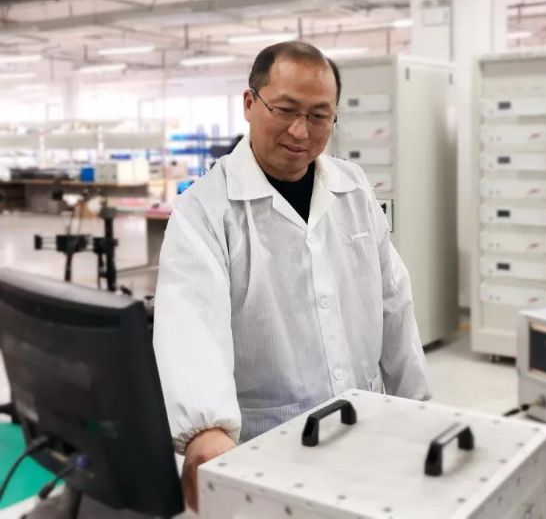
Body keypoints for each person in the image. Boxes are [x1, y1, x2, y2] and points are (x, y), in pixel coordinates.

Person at [153, 41, 430, 511]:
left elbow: (393, 301)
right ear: (249, 103)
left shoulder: (353, 188)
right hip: (265, 449)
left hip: (366, 431)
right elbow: (190, 324)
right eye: (285, 110)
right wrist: (206, 432)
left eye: (320, 116)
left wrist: (417, 408)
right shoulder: (204, 210)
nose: (300, 131)